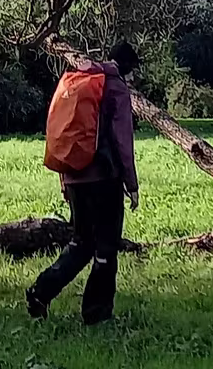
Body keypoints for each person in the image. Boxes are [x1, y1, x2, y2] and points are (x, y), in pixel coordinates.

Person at [26, 42, 141, 326]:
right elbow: (122, 139)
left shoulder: (79, 80)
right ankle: (97, 314)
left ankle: (41, 291)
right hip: (104, 178)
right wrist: (132, 183)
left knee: (81, 242)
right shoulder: (115, 87)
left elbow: (62, 134)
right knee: (106, 247)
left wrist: (64, 180)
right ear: (127, 66)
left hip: (74, 176)